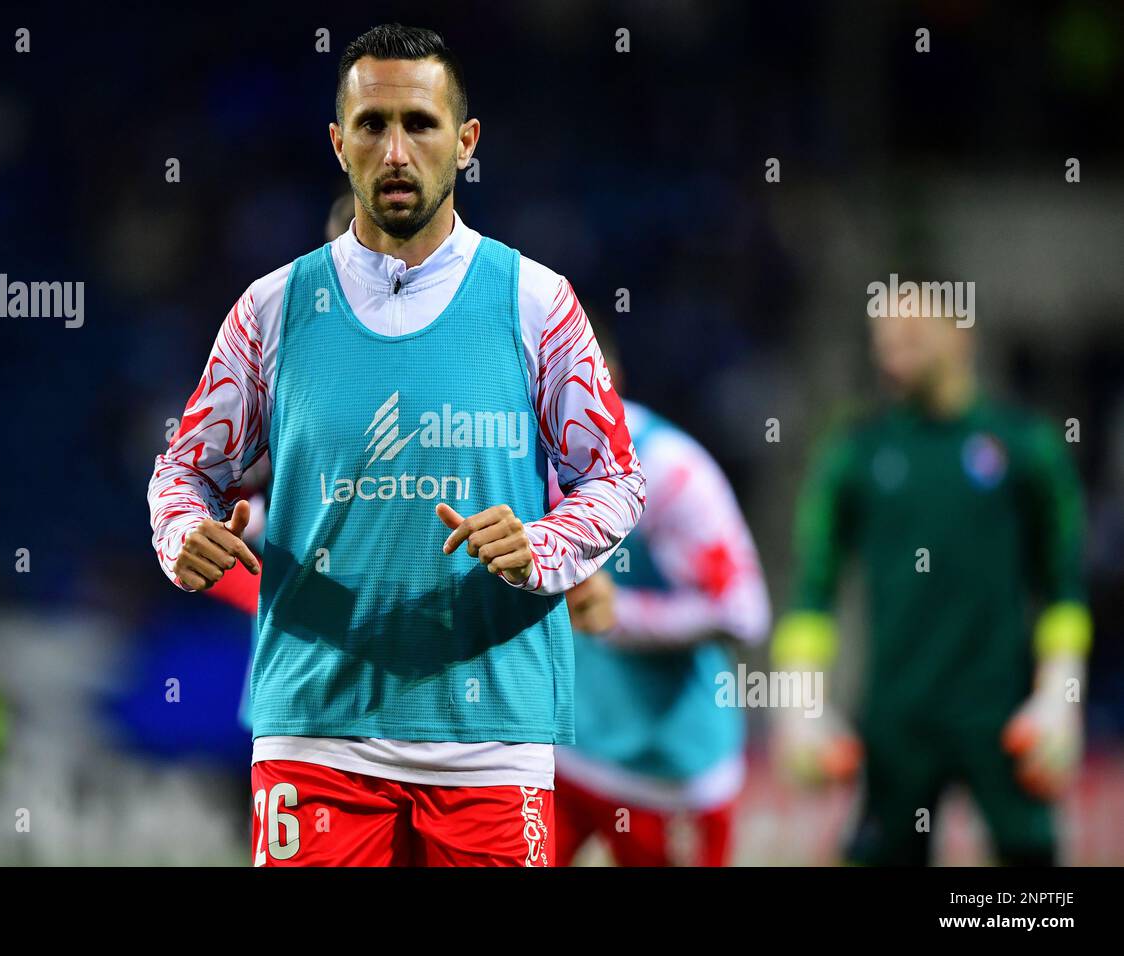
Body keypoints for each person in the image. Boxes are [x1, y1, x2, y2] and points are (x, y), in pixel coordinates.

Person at [147, 23, 644, 866]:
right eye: (373, 125)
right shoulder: (272, 309)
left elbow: (616, 480)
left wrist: (542, 542)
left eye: (420, 122)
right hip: (318, 727)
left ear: (466, 140)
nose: (397, 150)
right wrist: (179, 530)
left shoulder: (537, 302)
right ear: (340, 143)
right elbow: (185, 468)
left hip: (491, 728)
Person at [772, 294, 1091, 865]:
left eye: (912, 330)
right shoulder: (855, 454)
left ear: (960, 332)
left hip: (1003, 716)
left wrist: (1060, 696)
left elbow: (1063, 587)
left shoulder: (1026, 447)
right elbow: (812, 592)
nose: (893, 348)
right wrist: (799, 705)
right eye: (883, 335)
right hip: (896, 720)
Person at [553, 324, 771, 866]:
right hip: (566, 753)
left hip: (669, 774)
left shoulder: (674, 473)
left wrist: (620, 617)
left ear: (608, 379)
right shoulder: (521, 464)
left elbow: (744, 613)